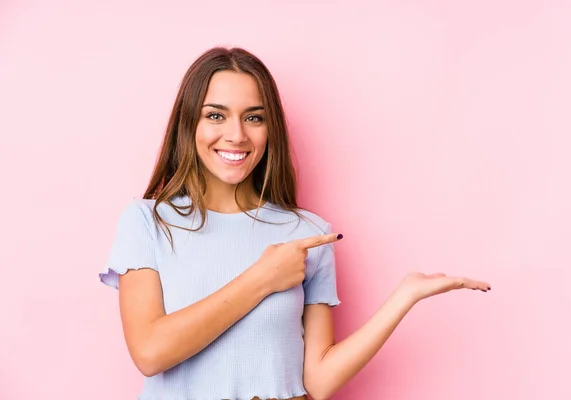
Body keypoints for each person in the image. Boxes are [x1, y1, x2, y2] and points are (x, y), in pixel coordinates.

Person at [99, 46, 491, 400]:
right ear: (190, 124)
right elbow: (150, 352)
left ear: (271, 130)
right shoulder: (148, 222)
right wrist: (262, 278)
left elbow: (318, 380)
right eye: (216, 115)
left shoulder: (308, 234)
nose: (236, 135)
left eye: (254, 117)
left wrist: (405, 296)